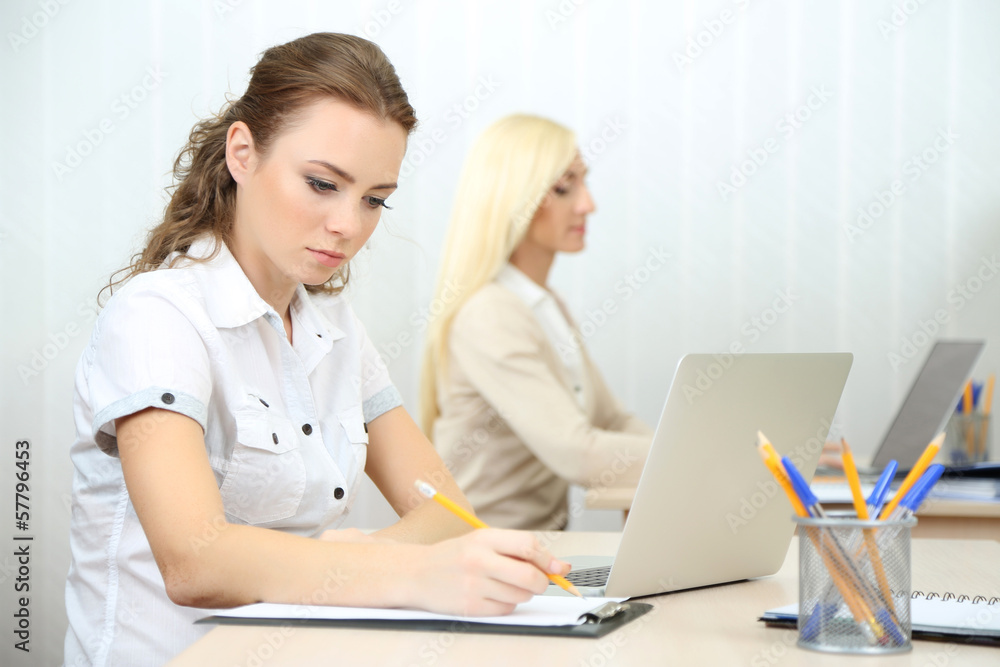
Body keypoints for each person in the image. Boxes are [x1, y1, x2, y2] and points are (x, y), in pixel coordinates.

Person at [64, 34, 569, 667]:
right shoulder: (158, 317)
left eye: (375, 199)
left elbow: (448, 513)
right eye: (323, 184)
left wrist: (361, 563)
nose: (349, 226)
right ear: (242, 153)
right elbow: (195, 560)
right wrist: (398, 570)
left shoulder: (334, 328)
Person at [419, 114, 653, 531]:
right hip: (483, 558)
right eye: (564, 187)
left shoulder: (544, 306)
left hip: (538, 554)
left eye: (584, 182)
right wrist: (718, 459)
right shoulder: (489, 314)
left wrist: (707, 452)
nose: (588, 204)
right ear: (516, 199)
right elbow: (578, 453)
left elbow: (611, 420)